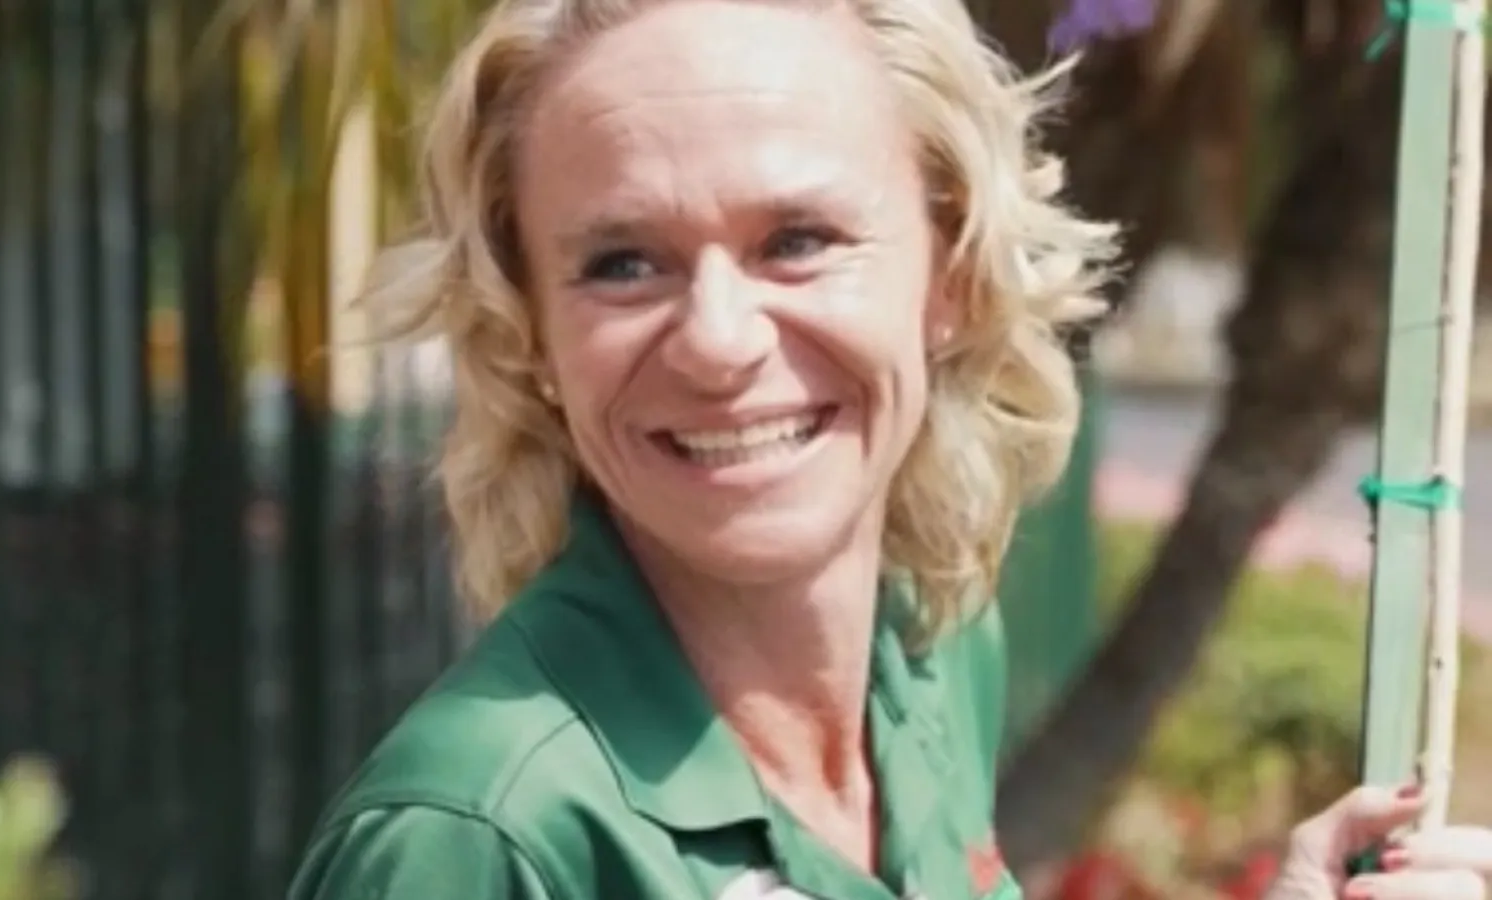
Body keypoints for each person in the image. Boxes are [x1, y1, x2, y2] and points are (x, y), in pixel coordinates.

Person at [286, 0, 1492, 897]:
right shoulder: (479, 840)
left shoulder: (927, 652)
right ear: (533, 333)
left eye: (798, 238)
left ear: (951, 274)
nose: (715, 340)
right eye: (621, 263)